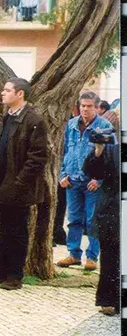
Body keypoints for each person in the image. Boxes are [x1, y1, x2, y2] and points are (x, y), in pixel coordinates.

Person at [0, 78, 49, 290]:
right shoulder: (7, 117)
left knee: (17, 231)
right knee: (3, 229)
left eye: (7, 90)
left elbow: (38, 157)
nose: (2, 93)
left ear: (20, 94)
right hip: (3, 184)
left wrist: (20, 182)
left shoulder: (34, 120)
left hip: (18, 187)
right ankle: (1, 270)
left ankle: (14, 275)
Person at [56, 91, 112, 271]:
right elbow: (64, 151)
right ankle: (73, 253)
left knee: (92, 220)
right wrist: (62, 175)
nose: (85, 109)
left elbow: (111, 156)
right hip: (72, 180)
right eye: (83, 106)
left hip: (92, 183)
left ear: (97, 108)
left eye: (89, 106)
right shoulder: (71, 124)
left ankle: (92, 257)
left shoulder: (104, 126)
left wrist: (100, 179)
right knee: (73, 219)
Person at [82, 129, 119, 314]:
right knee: (111, 257)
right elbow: (91, 170)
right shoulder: (113, 149)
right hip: (113, 211)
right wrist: (98, 149)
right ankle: (109, 299)